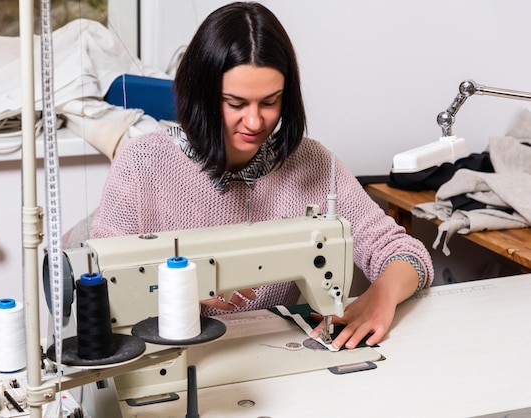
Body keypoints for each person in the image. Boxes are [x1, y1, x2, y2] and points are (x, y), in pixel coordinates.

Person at [91, 1, 433, 350]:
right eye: (236, 103)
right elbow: (102, 282)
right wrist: (177, 299)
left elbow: (405, 253)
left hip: (267, 352)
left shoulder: (312, 163)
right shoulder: (142, 163)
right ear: (203, 93)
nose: (255, 122)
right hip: (172, 355)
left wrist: (381, 295)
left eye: (270, 102)